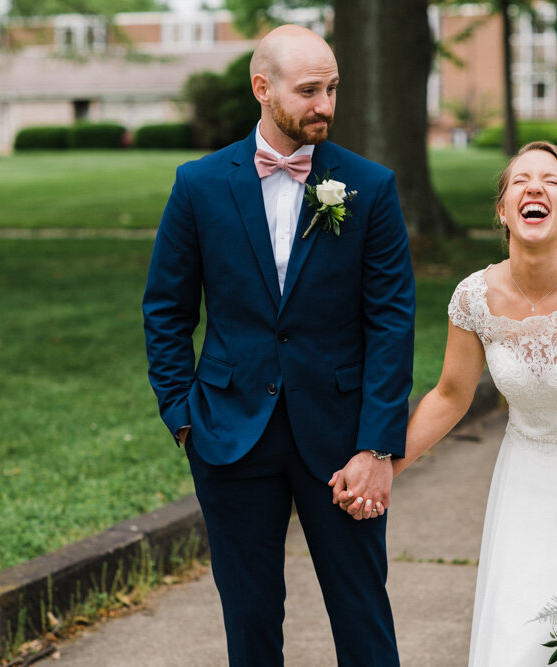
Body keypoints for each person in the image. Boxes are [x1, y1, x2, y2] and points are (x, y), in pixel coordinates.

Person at [334, 141, 557, 665]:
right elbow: (450, 396)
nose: (535, 187)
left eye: (551, 181)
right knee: (519, 636)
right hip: (526, 484)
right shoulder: (472, 298)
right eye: (520, 181)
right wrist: (384, 464)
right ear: (504, 211)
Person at [142, 24, 415, 666]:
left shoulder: (369, 187)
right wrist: (183, 419)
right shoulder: (199, 185)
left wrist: (377, 444)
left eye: (333, 89)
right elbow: (166, 309)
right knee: (251, 621)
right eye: (310, 90)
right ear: (262, 88)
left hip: (342, 441)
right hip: (230, 436)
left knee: (363, 617)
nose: (325, 104)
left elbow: (392, 322)